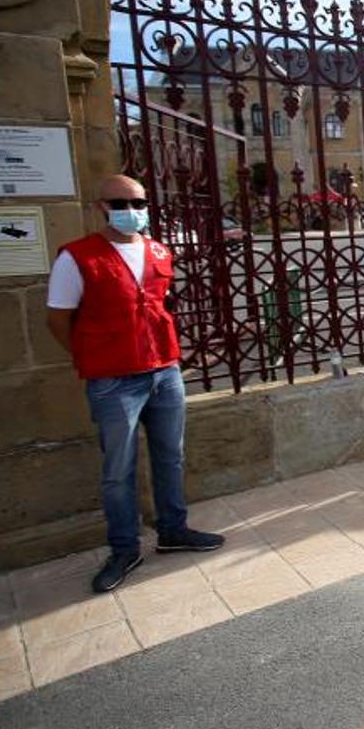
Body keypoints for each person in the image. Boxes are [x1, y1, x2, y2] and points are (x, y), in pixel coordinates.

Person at [46, 175, 225, 594]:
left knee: (170, 456)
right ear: (101, 207)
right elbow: (58, 318)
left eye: (139, 201)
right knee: (118, 471)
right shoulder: (78, 257)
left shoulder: (159, 250)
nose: (133, 209)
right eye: (121, 202)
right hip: (113, 380)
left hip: (164, 370)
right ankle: (124, 548)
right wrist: (89, 355)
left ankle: (173, 530)